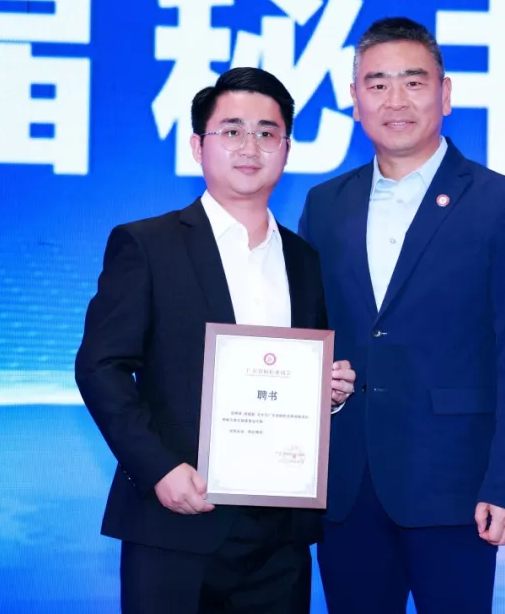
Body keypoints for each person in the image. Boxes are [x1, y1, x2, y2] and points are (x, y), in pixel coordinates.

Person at [297, 17, 505, 613]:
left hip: (458, 488)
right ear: (355, 99)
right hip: (346, 486)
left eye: (413, 82)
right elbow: (310, 331)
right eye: (377, 84)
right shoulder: (325, 204)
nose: (395, 100)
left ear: (445, 93)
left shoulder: (504, 203)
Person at [75, 67, 356, 614]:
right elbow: (100, 367)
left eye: (267, 132)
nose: (250, 146)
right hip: (175, 519)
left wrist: (328, 393)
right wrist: (158, 469)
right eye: (231, 131)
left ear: (287, 149)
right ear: (197, 146)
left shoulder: (304, 259)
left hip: (280, 534)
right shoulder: (147, 244)